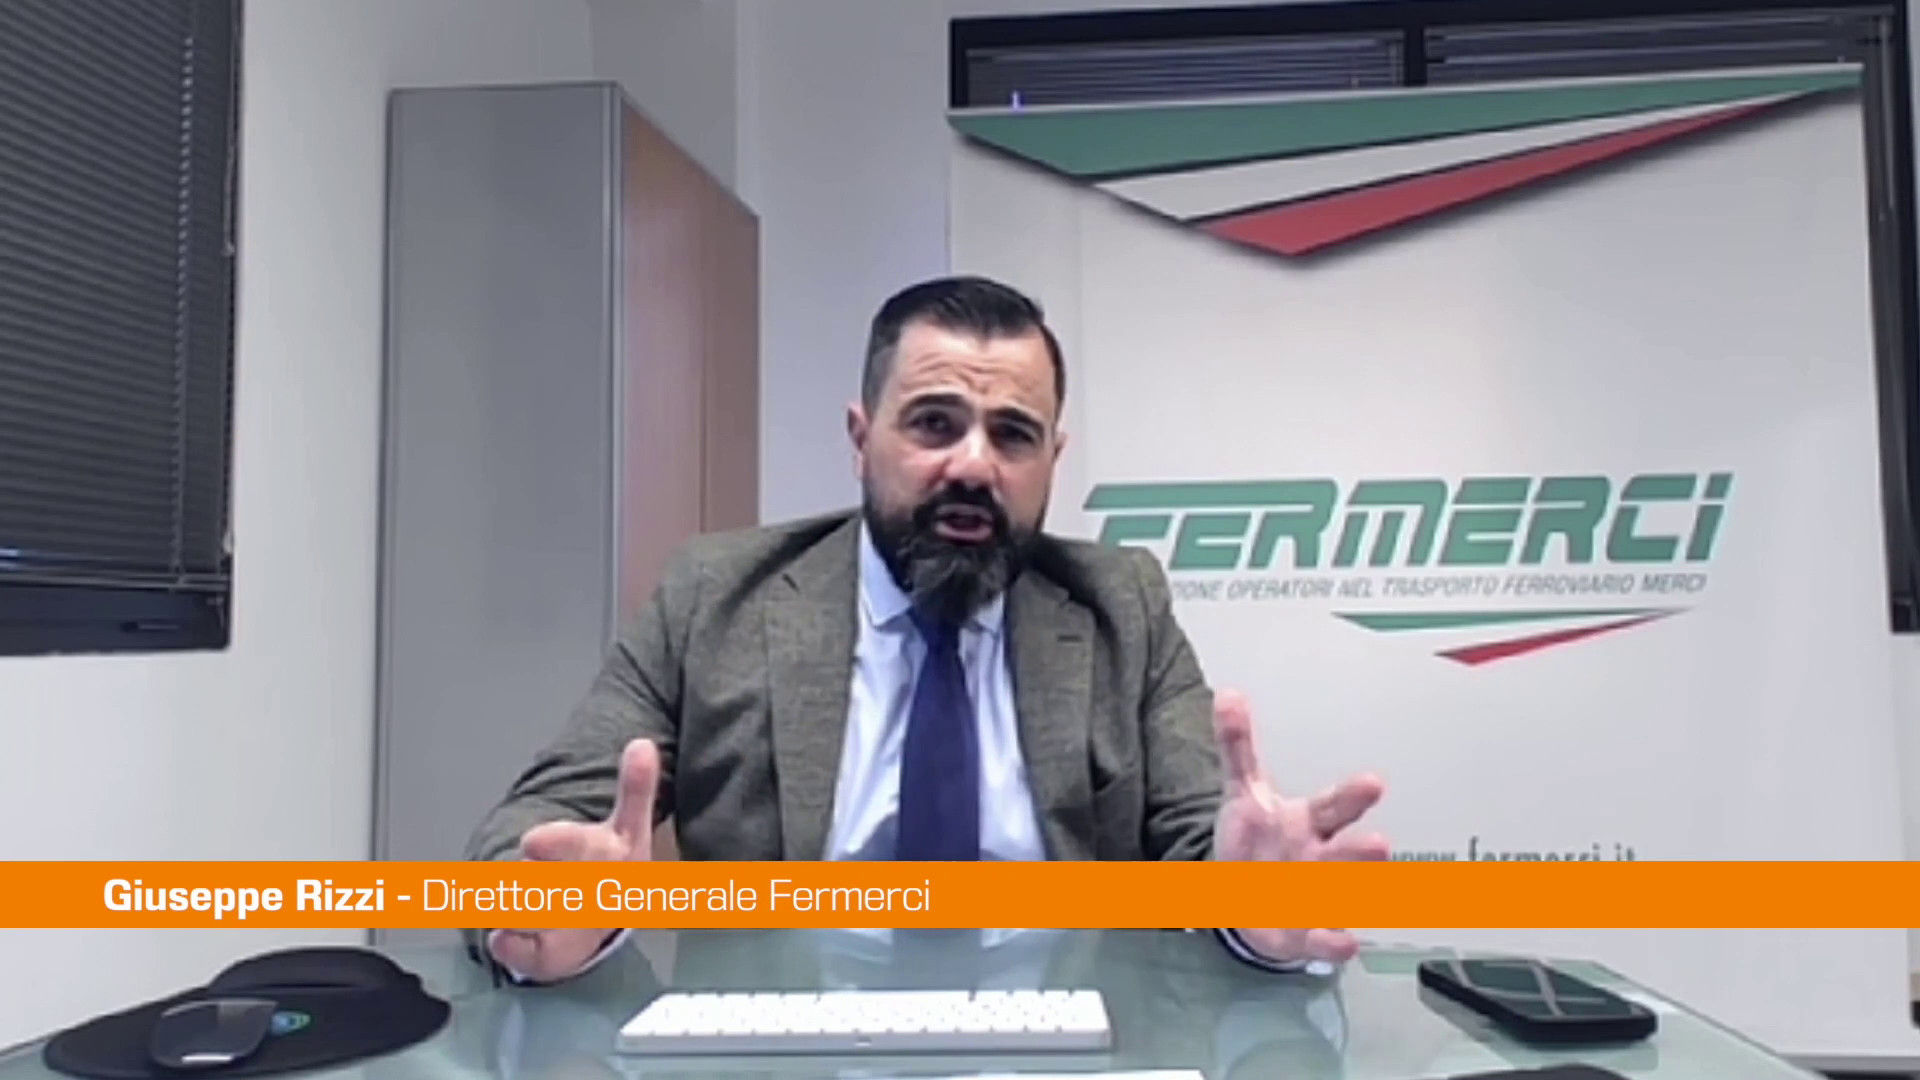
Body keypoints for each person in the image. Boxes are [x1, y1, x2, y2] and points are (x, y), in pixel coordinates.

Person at [463, 275, 1390, 985]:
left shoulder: (1122, 604)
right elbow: (535, 829)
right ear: (860, 437)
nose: (974, 466)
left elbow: (1202, 839)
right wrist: (547, 908)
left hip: (1060, 1041)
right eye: (935, 424)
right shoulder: (715, 596)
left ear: (1053, 457)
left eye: (1013, 434)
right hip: (787, 1049)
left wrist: (1247, 906)